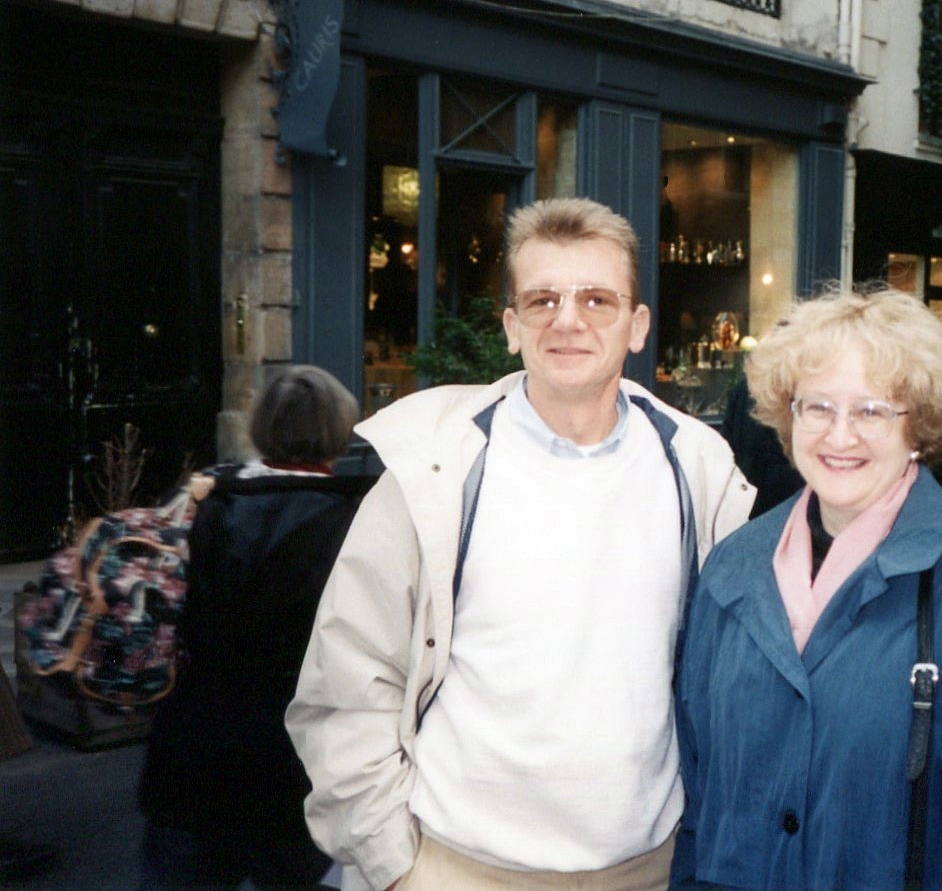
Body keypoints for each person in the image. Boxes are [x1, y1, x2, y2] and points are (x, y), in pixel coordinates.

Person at [286, 198, 755, 891]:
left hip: (650, 868)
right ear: (512, 327)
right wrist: (395, 867)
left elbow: (733, 681)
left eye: (597, 299)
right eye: (542, 300)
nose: (568, 320)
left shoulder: (698, 469)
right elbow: (347, 684)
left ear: (637, 326)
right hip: (454, 867)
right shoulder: (435, 469)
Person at [671, 286, 942, 890]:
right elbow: (700, 808)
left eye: (872, 411)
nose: (839, 435)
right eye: (818, 406)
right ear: (788, 416)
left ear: (918, 427)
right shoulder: (732, 569)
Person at [137, 364, 368, 890]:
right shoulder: (356, 522)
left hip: (191, 753)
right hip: (299, 762)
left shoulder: (197, 502)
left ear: (261, 426)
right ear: (339, 431)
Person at [720, 373, 804, 519]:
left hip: (749, 505)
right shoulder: (805, 389)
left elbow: (726, 452)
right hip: (788, 505)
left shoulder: (744, 389)